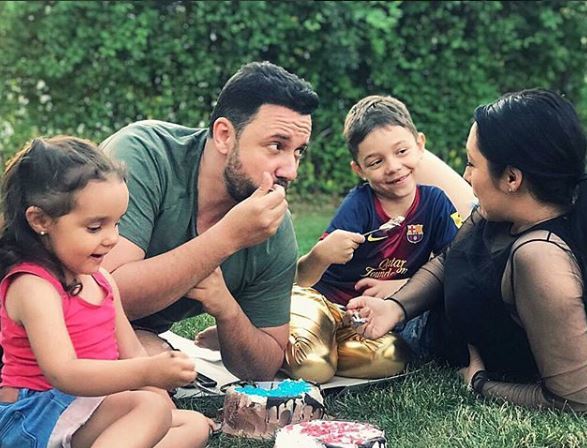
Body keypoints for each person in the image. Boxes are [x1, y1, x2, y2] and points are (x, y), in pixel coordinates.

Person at [101, 60, 473, 382]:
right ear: (225, 135)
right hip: (70, 323)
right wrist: (226, 239)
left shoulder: (273, 227)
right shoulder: (145, 155)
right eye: (276, 146)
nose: (290, 170)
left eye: (298, 152)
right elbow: (103, 295)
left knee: (155, 377)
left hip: (133, 333)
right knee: (144, 381)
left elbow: (263, 365)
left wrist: (227, 310)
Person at [348, 89, 587, 412]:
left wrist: (480, 383)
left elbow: (574, 399)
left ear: (512, 178)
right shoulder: (501, 212)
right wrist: (395, 307)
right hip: (425, 321)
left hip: (432, 341)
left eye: (472, 164)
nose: (466, 175)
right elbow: (450, 258)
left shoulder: (540, 258)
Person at [0, 137, 211, 447]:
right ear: (41, 220)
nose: (112, 238)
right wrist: (147, 372)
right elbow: (64, 373)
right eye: (95, 227)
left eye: (117, 223)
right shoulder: (34, 286)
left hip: (86, 407)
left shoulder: (100, 280)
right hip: (36, 414)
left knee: (190, 424)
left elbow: (132, 351)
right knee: (148, 409)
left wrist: (160, 398)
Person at [284, 95, 461, 383]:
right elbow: (302, 279)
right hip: (323, 303)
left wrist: (400, 286)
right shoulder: (359, 205)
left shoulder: (435, 203)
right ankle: (278, 337)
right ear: (359, 169)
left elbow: (454, 264)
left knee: (394, 357)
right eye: (376, 161)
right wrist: (322, 253)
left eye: (401, 151)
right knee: (312, 367)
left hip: (362, 320)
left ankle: (312, 343)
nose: (393, 166)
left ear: (420, 144)